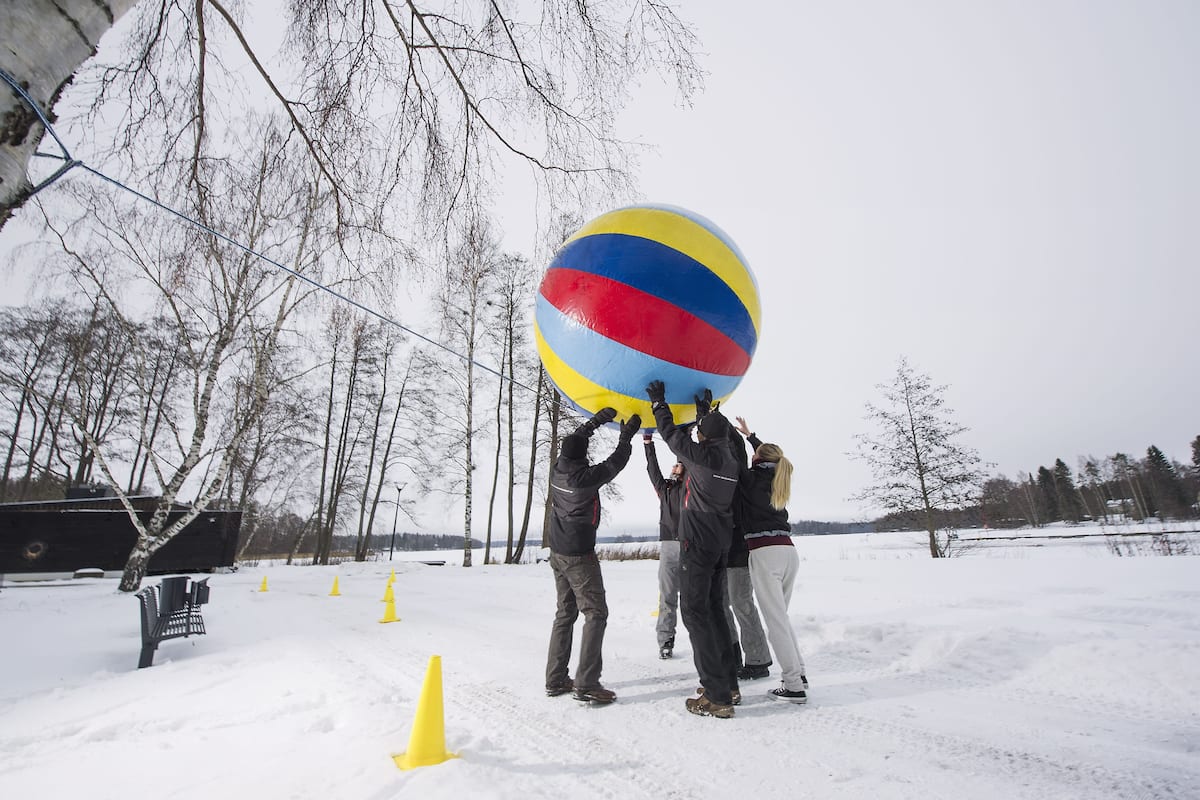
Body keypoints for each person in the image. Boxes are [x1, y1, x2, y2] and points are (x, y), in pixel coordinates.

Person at [646, 380, 740, 719]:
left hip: (698, 545)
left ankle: (717, 696)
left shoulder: (703, 457)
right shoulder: (730, 459)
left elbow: (672, 436)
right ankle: (728, 684)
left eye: (701, 433)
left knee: (696, 614)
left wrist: (659, 403)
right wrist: (705, 413)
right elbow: (712, 435)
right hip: (719, 544)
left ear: (705, 438)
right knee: (714, 611)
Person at [544, 406, 642, 704]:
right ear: (582, 455)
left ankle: (556, 678)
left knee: (565, 613)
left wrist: (597, 420)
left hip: (557, 550)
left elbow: (574, 439)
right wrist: (626, 435)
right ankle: (586, 683)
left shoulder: (558, 467)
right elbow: (616, 462)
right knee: (595, 613)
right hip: (577, 554)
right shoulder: (584, 478)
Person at [733, 415, 809, 704]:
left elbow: (740, 461)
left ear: (757, 458)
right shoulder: (779, 475)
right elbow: (769, 456)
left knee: (775, 622)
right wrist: (752, 437)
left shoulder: (751, 478)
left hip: (765, 552)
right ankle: (798, 673)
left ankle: (793, 686)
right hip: (788, 551)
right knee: (781, 619)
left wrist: (744, 440)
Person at [725, 426, 773, 680]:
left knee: (741, 603)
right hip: (720, 548)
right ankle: (731, 656)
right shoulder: (721, 473)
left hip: (739, 550)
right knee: (722, 605)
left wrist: (747, 437)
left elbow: (770, 457)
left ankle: (758, 660)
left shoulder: (746, 477)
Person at [644, 431, 685, 659]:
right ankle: (666, 641)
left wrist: (683, 437)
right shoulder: (665, 489)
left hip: (690, 545)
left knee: (692, 599)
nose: (676, 466)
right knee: (667, 596)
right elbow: (653, 470)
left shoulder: (691, 487)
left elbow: (687, 458)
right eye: (675, 465)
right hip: (668, 545)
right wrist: (648, 444)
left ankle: (705, 642)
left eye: (680, 464)